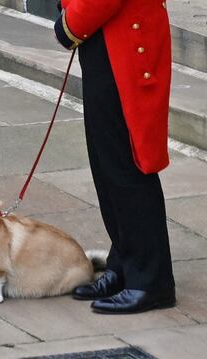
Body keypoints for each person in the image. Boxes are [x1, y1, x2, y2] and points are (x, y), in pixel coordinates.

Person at [54, 0, 176, 313]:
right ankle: (124, 263)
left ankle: (151, 281)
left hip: (124, 41)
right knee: (106, 164)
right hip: (104, 39)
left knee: (128, 166)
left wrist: (71, 24)